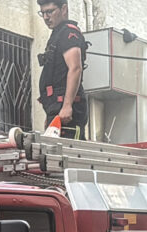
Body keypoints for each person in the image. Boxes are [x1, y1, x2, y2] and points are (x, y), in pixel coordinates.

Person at [37, 0, 88, 139]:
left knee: (67, 155)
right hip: (56, 109)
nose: (46, 17)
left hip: (67, 111)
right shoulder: (58, 34)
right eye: (42, 13)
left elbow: (75, 68)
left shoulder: (68, 33)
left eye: (50, 11)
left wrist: (67, 106)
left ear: (64, 9)